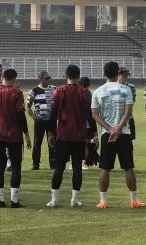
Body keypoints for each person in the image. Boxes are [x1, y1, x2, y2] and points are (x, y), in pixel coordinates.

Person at [91, 60, 145, 209]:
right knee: (128, 167)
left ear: (104, 73)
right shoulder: (126, 90)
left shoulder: (98, 91)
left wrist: (110, 129)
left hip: (107, 134)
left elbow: (94, 114)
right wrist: (118, 129)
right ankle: (133, 200)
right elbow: (128, 112)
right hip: (124, 132)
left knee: (105, 168)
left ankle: (103, 201)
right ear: (117, 73)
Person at [47, 64, 91, 208]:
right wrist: (93, 135)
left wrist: (51, 133)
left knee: (59, 167)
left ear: (66, 75)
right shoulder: (84, 92)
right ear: (79, 76)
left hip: (63, 134)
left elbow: (53, 114)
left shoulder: (59, 91)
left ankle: (54, 200)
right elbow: (89, 116)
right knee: (77, 167)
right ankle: (74, 199)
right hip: (79, 135)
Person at [0, 68, 31, 208]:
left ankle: (0, 200)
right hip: (14, 134)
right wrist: (26, 133)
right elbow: (20, 114)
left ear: (3, 77)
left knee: (0, 166)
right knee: (16, 167)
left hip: (0, 133)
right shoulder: (17, 93)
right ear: (14, 79)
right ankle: (14, 200)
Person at [28, 70, 57, 171]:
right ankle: (36, 164)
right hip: (39, 121)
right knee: (37, 143)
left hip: (51, 121)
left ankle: (53, 164)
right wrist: (34, 117)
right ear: (40, 79)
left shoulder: (54, 89)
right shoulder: (34, 90)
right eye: (47, 78)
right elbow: (28, 106)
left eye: (49, 78)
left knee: (52, 142)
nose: (49, 80)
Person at [80, 76, 99, 170]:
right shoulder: (90, 94)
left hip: (80, 122)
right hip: (86, 121)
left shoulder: (78, 93)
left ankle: (80, 162)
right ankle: (83, 162)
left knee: (81, 143)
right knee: (84, 142)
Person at [118, 68, 137, 141]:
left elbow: (132, 102)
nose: (125, 77)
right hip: (116, 117)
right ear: (118, 75)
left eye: (126, 76)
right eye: (123, 76)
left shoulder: (131, 87)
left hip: (129, 116)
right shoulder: (113, 86)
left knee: (129, 141)